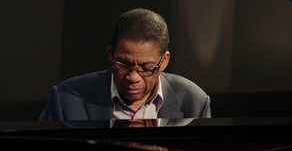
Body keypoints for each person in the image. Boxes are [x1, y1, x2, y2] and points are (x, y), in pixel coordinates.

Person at [39, 8, 210, 121]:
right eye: (123, 63)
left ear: (164, 61)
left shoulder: (194, 102)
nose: (133, 77)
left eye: (146, 67)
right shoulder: (65, 100)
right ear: (110, 55)